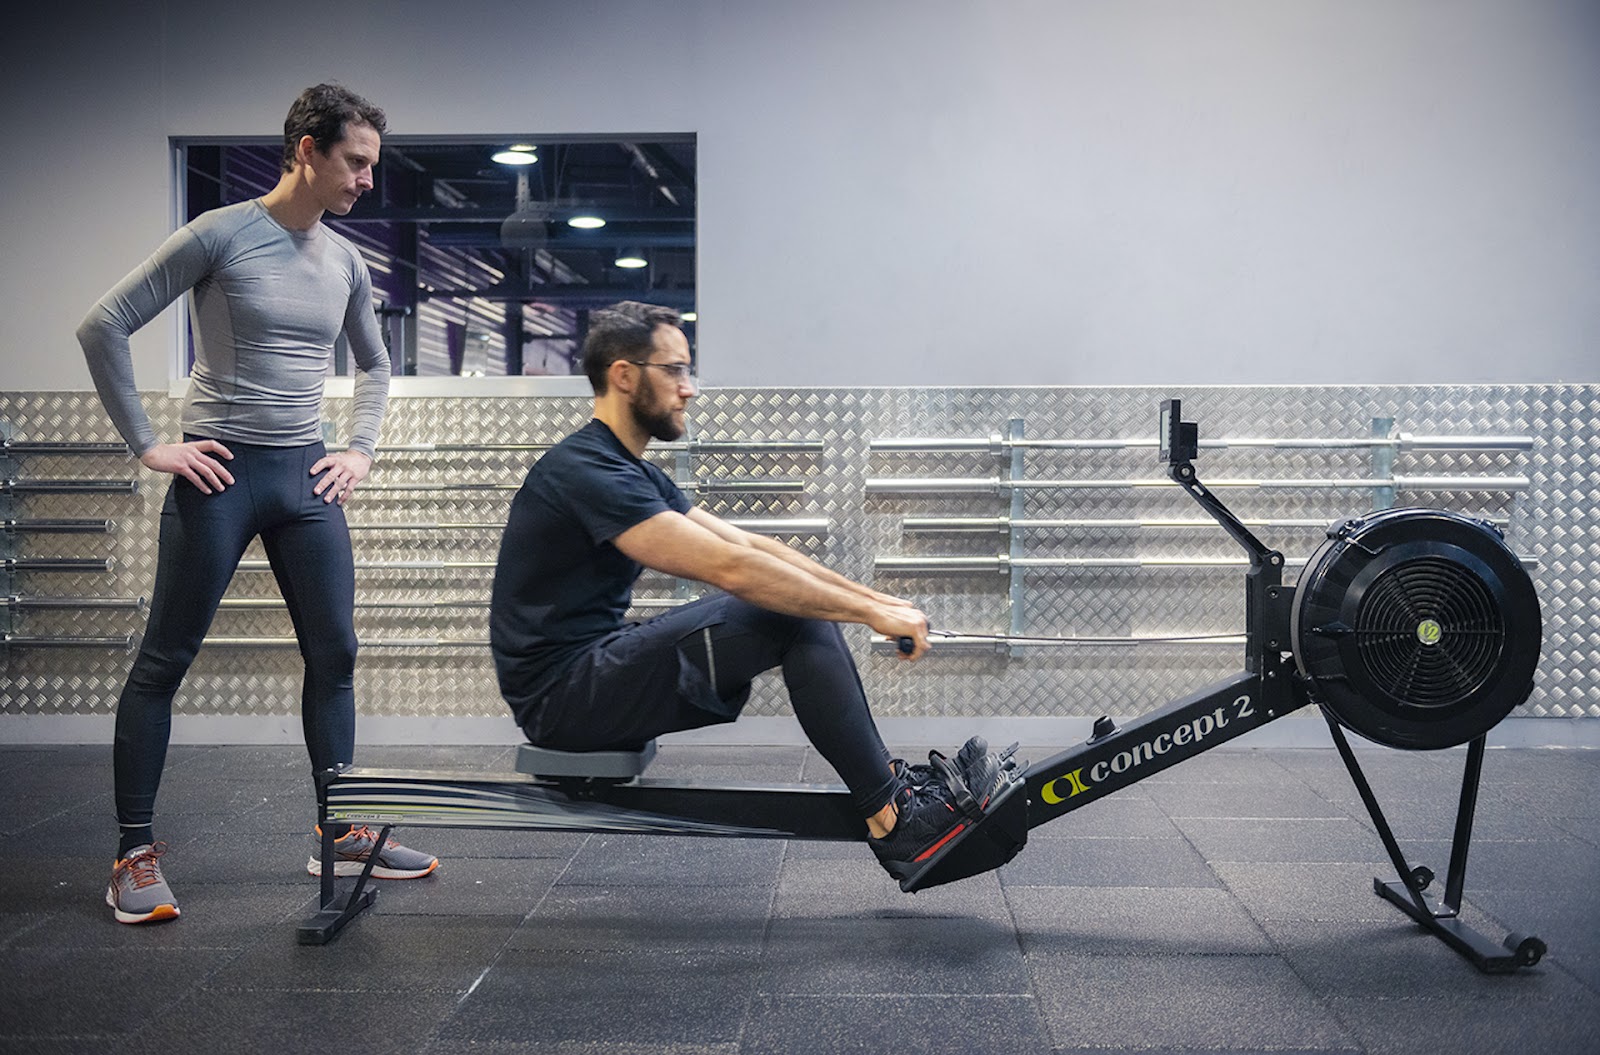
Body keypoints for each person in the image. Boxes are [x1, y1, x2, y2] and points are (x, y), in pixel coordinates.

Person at [489, 301, 1012, 884]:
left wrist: (876, 603)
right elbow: (732, 569)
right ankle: (896, 823)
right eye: (675, 371)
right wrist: (866, 612)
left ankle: (889, 793)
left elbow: (754, 546)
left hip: (591, 672)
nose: (688, 389)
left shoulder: (629, 469)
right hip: (562, 698)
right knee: (788, 613)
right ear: (624, 376)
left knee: (797, 604)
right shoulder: (586, 472)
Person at [79, 84, 437, 925]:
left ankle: (340, 828)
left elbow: (377, 365)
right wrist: (148, 443)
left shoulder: (346, 260)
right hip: (222, 475)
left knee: (337, 652)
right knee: (165, 660)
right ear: (307, 150)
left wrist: (359, 448)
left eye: (373, 167)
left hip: (304, 477)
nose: (366, 182)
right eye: (355, 162)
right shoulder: (222, 233)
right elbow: (105, 323)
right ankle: (132, 855)